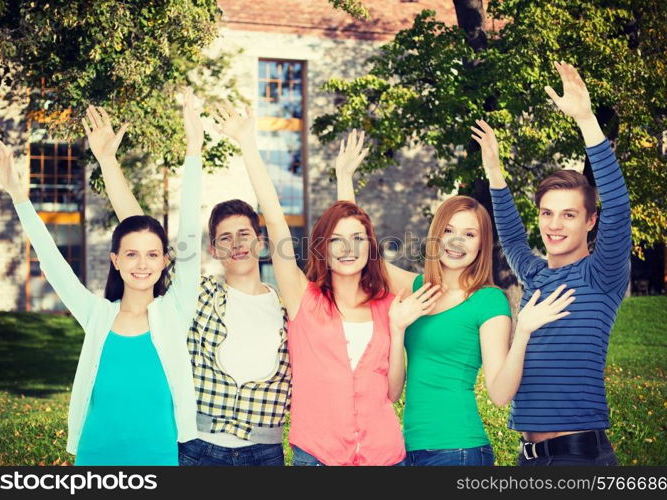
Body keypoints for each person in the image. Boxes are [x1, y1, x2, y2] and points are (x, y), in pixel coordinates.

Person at [209, 103, 441, 466]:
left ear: (371, 246)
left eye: (359, 240)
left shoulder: (388, 306)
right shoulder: (304, 299)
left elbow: (393, 393)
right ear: (322, 248)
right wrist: (247, 145)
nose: (348, 249)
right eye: (336, 241)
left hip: (385, 458)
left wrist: (397, 329)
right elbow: (274, 216)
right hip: (317, 457)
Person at [0, 90, 202, 465]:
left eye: (152, 254)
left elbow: (190, 237)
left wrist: (194, 148)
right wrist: (18, 193)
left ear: (166, 261)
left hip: (158, 458)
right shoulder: (98, 315)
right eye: (131, 254)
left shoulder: (175, 311)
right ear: (115, 260)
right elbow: (53, 264)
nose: (142, 264)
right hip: (95, 456)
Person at [336, 131, 574, 466]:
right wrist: (345, 178)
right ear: (436, 235)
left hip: (459, 450)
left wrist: (523, 333)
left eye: (469, 234)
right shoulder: (417, 288)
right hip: (408, 449)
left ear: (481, 244)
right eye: (449, 230)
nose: (457, 241)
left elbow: (500, 393)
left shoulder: (488, 301)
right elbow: (363, 255)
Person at [88, 94, 290, 466]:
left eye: (244, 234)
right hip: (200, 449)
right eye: (224, 238)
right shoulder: (197, 295)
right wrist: (107, 161)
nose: (236, 244)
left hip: (265, 452)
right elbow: (140, 230)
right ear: (213, 249)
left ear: (260, 242)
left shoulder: (287, 304)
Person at [474, 61, 631, 466]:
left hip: (577, 458)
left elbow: (618, 204)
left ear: (590, 220)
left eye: (568, 214)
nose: (554, 225)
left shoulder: (602, 274)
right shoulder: (536, 274)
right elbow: (510, 235)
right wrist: (494, 171)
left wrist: (586, 120)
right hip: (528, 457)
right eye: (547, 213)